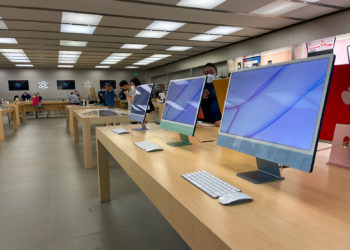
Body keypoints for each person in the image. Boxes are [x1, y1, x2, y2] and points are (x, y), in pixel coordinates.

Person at [200, 63, 221, 127]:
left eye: (211, 72)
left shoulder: (221, 87)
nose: (209, 75)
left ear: (216, 74)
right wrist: (200, 98)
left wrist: (223, 120)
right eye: (206, 73)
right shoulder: (199, 88)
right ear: (203, 75)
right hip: (203, 123)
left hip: (217, 122)